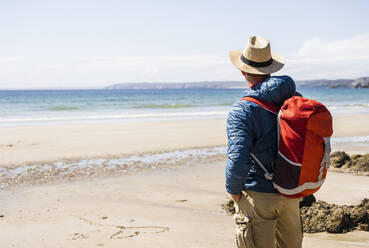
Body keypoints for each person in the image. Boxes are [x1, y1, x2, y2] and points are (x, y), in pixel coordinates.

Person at [226, 36, 303, 248]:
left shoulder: (242, 109)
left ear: (242, 70)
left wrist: (233, 190)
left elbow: (238, 156)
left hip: (258, 194)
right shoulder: (294, 99)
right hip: (290, 192)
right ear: (270, 69)